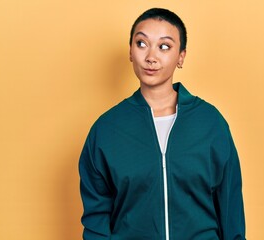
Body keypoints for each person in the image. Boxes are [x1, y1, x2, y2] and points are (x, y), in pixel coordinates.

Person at [79, 8, 246, 240]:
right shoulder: (106, 129)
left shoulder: (210, 123)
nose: (151, 57)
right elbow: (97, 219)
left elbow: (230, 207)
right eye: (141, 43)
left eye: (164, 46)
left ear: (181, 56)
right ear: (130, 51)